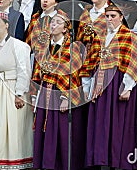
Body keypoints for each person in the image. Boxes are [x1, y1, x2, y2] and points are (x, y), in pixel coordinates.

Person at [80, 4, 137, 170]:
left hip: (119, 82)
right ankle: (101, 159)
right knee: (101, 122)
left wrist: (128, 86)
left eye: (112, 16)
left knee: (119, 123)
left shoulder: (129, 35)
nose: (109, 19)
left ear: (121, 17)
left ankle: (119, 162)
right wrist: (87, 86)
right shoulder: (99, 36)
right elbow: (90, 62)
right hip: (101, 84)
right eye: (107, 16)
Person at [32, 10, 85, 170]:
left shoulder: (72, 48)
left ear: (65, 28)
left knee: (61, 132)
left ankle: (61, 165)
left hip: (60, 93)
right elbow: (37, 70)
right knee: (43, 129)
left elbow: (73, 73)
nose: (53, 25)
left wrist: (66, 97)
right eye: (52, 22)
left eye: (57, 23)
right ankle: (45, 164)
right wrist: (34, 93)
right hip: (45, 92)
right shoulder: (44, 46)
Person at [0, 12, 33, 169]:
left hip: (10, 88)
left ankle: (13, 161)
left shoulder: (19, 45)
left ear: (7, 25)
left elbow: (24, 70)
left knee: (11, 125)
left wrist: (20, 93)